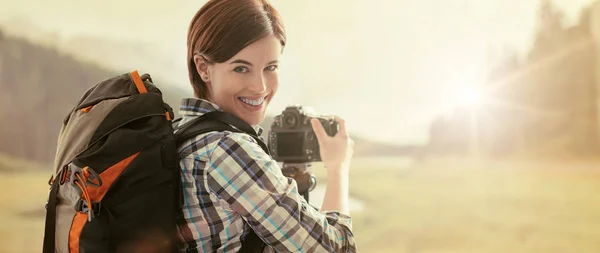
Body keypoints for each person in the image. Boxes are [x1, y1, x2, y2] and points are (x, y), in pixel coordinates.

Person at [175, 0, 357, 252]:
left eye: (270, 67)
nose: (260, 87)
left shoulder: (181, 132)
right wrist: (338, 168)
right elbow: (336, 248)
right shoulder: (226, 149)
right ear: (203, 68)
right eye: (241, 68)